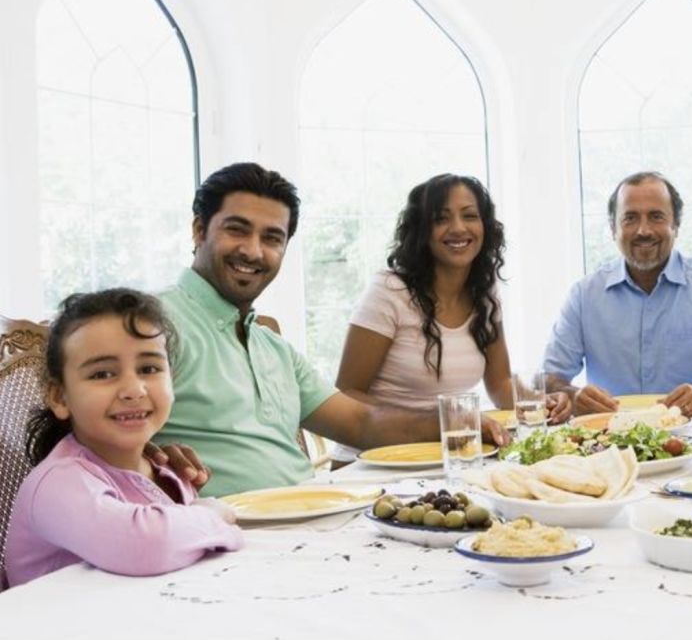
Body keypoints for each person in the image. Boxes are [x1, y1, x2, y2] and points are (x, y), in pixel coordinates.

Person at [153, 162, 509, 497]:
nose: (253, 251)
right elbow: (99, 440)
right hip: (233, 537)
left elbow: (360, 423)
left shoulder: (271, 347)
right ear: (199, 230)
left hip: (309, 515)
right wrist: (144, 458)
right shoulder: (153, 322)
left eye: (272, 238)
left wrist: (458, 421)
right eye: (237, 229)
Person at [5, 289, 242, 588]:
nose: (134, 389)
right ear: (59, 397)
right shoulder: (57, 482)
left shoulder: (164, 471)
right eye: (103, 374)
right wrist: (212, 515)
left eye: (149, 369)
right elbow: (145, 546)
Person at [330, 174, 570, 467]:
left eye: (470, 216)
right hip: (374, 461)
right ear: (422, 230)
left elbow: (500, 384)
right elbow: (346, 395)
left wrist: (543, 403)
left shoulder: (485, 292)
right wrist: (435, 422)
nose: (458, 228)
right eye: (441, 218)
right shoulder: (389, 291)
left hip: (447, 457)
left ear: (485, 226)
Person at [543, 171, 692, 417]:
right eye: (630, 218)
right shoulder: (584, 296)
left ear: (676, 225)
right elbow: (549, 380)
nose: (643, 230)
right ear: (613, 228)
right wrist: (574, 397)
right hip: (610, 441)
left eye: (656, 217)